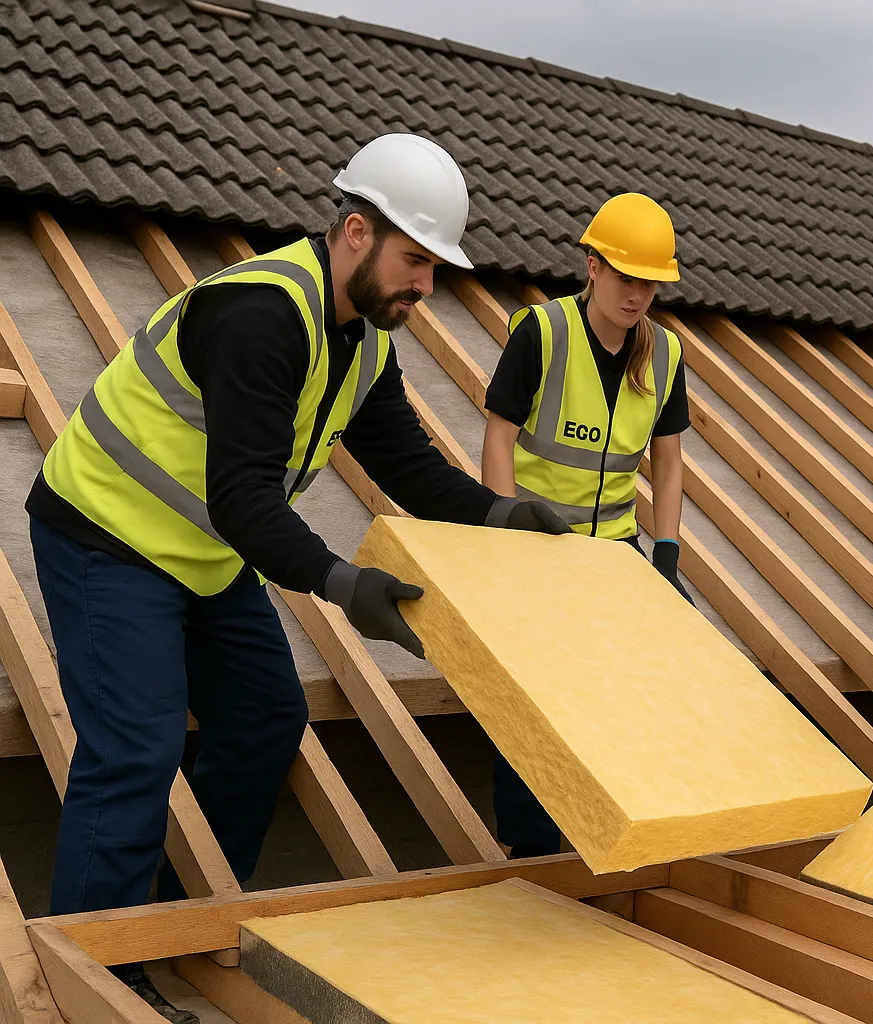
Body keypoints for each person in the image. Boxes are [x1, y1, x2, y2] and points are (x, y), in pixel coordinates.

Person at [27, 133, 567, 1022]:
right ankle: (95, 968)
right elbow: (244, 497)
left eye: (434, 268)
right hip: (107, 533)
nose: (426, 287)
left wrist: (501, 513)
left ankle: (177, 922)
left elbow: (406, 463)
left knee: (267, 718)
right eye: (415, 262)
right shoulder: (260, 314)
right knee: (137, 745)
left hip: (204, 554)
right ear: (356, 232)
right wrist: (342, 582)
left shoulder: (365, 340)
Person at [480, 191, 692, 856]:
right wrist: (509, 534)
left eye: (650, 283)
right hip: (539, 545)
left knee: (631, 687)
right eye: (626, 277)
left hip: (615, 551)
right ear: (593, 266)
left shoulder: (665, 354)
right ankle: (531, 849)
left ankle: (608, 834)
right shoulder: (543, 333)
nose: (637, 295)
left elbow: (669, 459)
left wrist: (665, 553)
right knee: (534, 697)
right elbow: (497, 437)